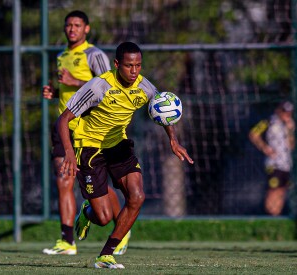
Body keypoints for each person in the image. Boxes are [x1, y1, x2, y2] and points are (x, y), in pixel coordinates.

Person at [56, 41, 194, 269]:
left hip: (118, 146)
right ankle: (87, 212)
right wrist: (69, 152)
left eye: (138, 65)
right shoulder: (98, 86)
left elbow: (162, 107)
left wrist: (173, 139)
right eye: (129, 66)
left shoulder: (143, 86)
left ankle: (106, 254)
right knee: (102, 217)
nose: (134, 71)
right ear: (117, 64)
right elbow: (63, 119)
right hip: (90, 148)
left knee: (137, 196)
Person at [42, 10, 129, 256]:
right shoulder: (62, 56)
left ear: (86, 29)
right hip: (63, 127)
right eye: (68, 25)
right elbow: (74, 96)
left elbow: (107, 87)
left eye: (77, 25)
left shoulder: (94, 54)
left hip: (89, 129)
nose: (72, 29)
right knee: (63, 181)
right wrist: (56, 93)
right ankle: (67, 241)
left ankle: (121, 228)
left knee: (98, 185)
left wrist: (72, 82)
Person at [249, 101, 295, 216]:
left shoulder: (290, 124)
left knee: (281, 191)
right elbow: (253, 134)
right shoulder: (269, 122)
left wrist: (290, 130)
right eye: (284, 112)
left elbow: (292, 145)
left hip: (287, 163)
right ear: (279, 111)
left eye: (289, 112)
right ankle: (271, 216)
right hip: (274, 163)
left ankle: (277, 215)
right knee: (273, 190)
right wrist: (264, 148)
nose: (287, 115)